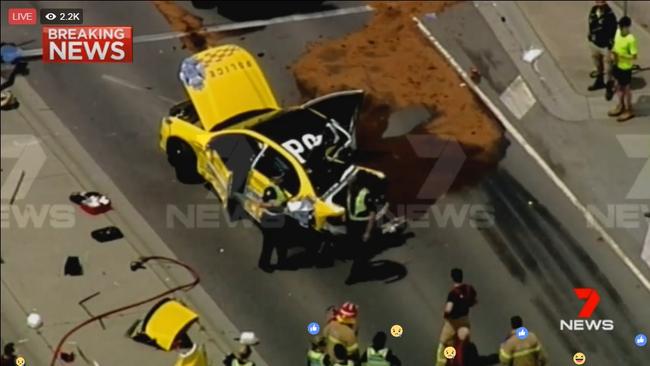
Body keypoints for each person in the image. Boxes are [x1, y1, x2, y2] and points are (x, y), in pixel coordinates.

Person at [436, 268, 478, 366]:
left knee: (443, 343)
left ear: (452, 278)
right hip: (465, 320)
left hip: (453, 323)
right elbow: (474, 301)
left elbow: (448, 309)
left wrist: (445, 314)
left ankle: (441, 363)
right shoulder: (469, 289)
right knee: (463, 343)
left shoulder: (453, 294)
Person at [345, 176, 378, 284]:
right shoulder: (350, 189)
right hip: (352, 223)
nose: (349, 186)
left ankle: (354, 275)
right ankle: (361, 265)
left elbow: (372, 214)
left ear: (356, 184)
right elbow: (348, 202)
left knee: (360, 251)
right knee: (354, 247)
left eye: (350, 184)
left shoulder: (366, 194)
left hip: (362, 225)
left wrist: (367, 232)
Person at [608, 16, 638, 122]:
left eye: (623, 27)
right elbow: (615, 46)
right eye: (620, 26)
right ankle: (620, 106)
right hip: (616, 65)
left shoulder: (631, 39)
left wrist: (622, 56)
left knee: (626, 90)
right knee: (618, 87)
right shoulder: (617, 33)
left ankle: (629, 110)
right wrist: (612, 54)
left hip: (625, 68)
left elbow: (634, 56)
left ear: (628, 27)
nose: (621, 29)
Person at [257, 173, 289, 272]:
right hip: (270, 220)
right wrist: (275, 205)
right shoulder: (270, 190)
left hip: (277, 219)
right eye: (279, 177)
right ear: (274, 179)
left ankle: (281, 262)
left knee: (279, 242)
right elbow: (262, 204)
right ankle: (263, 264)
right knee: (268, 244)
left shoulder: (280, 189)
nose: (282, 179)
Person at [586, 0, 617, 96]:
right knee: (598, 64)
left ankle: (609, 86)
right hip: (595, 43)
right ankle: (599, 82)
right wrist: (590, 34)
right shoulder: (593, 10)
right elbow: (590, 23)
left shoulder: (610, 14)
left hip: (605, 45)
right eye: (598, 3)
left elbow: (613, 29)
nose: (600, 5)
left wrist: (611, 44)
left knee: (608, 68)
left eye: (602, 3)